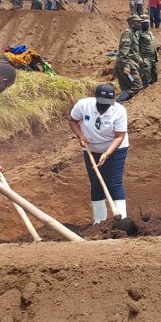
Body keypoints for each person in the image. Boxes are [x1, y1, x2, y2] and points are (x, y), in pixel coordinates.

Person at [68, 83, 129, 224]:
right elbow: (72, 120)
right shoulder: (83, 105)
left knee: (114, 183)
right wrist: (80, 136)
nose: (104, 107)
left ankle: (123, 221)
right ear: (96, 98)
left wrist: (107, 154)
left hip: (115, 148)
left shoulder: (119, 111)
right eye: (101, 103)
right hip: (91, 148)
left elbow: (119, 136)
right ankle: (99, 222)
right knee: (96, 183)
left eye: (107, 104)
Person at [115, 15, 144, 102]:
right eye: (138, 22)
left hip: (130, 64)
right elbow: (124, 51)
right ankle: (118, 102)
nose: (140, 24)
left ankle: (123, 105)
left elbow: (132, 50)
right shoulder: (128, 33)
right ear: (132, 24)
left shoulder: (134, 34)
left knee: (128, 87)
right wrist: (126, 66)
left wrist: (138, 58)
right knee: (137, 85)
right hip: (127, 65)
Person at [137, 15, 158, 87]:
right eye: (144, 23)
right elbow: (134, 47)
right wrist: (139, 57)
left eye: (147, 23)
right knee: (146, 79)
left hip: (153, 58)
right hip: (145, 58)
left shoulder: (149, 32)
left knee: (155, 78)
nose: (146, 24)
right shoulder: (138, 34)